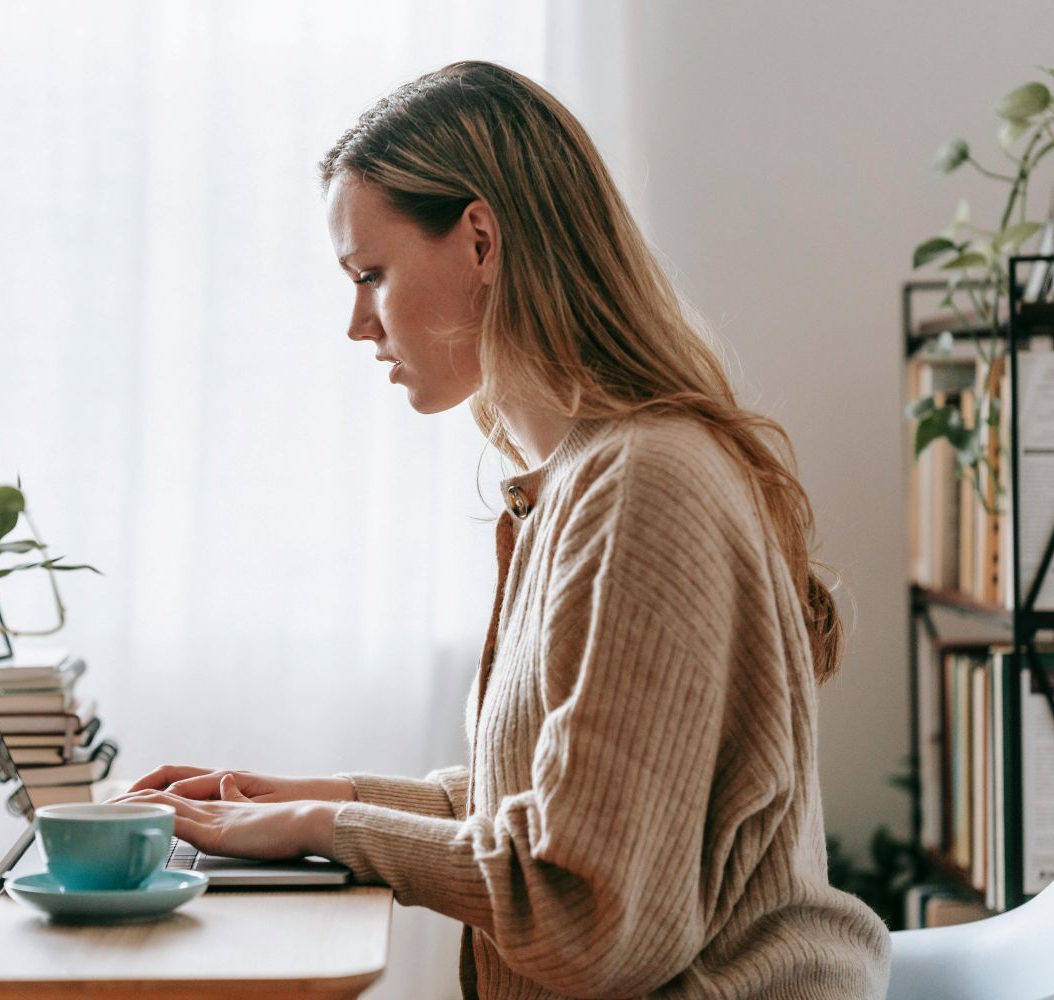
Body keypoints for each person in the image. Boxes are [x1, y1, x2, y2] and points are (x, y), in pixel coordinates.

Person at [112, 60, 892, 998]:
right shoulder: (580, 479)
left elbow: (586, 917)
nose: (359, 324)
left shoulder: (644, 484)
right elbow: (540, 807)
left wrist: (329, 832)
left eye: (372, 274)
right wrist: (316, 799)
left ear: (480, 240)